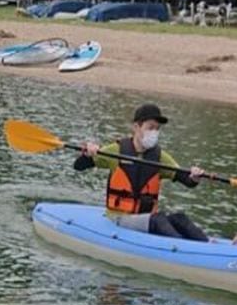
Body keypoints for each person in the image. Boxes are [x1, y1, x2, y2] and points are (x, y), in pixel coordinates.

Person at [74, 103, 213, 241]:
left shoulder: (160, 157)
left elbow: (186, 180)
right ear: (136, 127)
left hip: (146, 219)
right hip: (119, 219)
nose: (154, 133)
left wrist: (194, 177)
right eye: (150, 128)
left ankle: (208, 246)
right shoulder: (116, 151)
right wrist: (88, 154)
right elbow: (79, 166)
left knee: (180, 218)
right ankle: (181, 249)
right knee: (158, 219)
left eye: (157, 129)